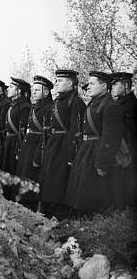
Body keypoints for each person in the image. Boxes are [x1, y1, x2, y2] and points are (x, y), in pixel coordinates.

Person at [65, 71, 125, 214]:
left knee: (94, 193)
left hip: (97, 151)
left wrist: (102, 163)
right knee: (81, 190)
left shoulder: (111, 106)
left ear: (104, 86)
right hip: (87, 149)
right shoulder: (94, 103)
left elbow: (110, 137)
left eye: (92, 84)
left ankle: (93, 219)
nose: (88, 87)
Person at [39, 69, 86, 219]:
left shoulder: (76, 102)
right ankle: (47, 210)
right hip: (54, 143)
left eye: (60, 80)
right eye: (56, 80)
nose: (56, 83)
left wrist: (71, 155)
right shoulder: (58, 100)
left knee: (59, 180)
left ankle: (58, 214)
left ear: (70, 83)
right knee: (49, 178)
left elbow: (75, 130)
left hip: (64, 146)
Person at [16, 75, 54, 209]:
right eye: (34, 89)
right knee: (24, 174)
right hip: (28, 145)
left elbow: (46, 134)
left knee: (33, 175)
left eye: (38, 90)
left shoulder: (49, 108)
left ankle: (30, 205)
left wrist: (38, 154)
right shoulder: (34, 107)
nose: (34, 92)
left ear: (46, 92)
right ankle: (23, 202)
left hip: (37, 146)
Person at [110, 71, 136, 206]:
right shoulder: (118, 104)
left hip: (129, 150)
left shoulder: (132, 105)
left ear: (125, 85)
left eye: (115, 84)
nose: (112, 87)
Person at [1, 77, 31, 175]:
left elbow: (23, 131)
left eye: (11, 87)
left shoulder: (24, 107)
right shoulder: (12, 106)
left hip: (15, 143)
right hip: (8, 142)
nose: (8, 89)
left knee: (14, 171)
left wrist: (19, 149)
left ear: (18, 91)